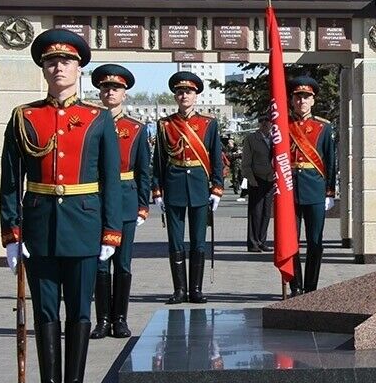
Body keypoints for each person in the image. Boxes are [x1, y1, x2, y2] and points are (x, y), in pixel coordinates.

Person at [0, 28, 122, 383]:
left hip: (84, 225)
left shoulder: (97, 119)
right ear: (43, 68)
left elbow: (111, 180)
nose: (58, 67)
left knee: (81, 310)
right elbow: (9, 179)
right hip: (39, 227)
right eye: (51, 61)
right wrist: (12, 232)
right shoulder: (24, 117)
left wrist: (111, 230)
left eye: (66, 61)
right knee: (45, 309)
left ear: (79, 67)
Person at [89, 64, 151, 340]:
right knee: (100, 265)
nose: (110, 92)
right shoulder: (90, 124)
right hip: (98, 199)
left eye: (116, 88)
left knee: (123, 264)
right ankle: (102, 320)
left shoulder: (135, 128)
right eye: (105, 87)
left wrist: (143, 203)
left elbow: (144, 168)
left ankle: (121, 319)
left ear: (124, 94)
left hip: (125, 198)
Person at [151, 72, 223, 305]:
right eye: (180, 92)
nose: (184, 96)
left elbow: (216, 158)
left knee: (199, 240)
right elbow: (159, 160)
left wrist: (217, 188)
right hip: (173, 186)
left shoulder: (209, 124)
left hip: (200, 187)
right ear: (175, 96)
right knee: (175, 240)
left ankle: (196, 289)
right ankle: (179, 290)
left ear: (196, 95)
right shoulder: (165, 124)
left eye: (189, 92)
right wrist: (157, 190)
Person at [288, 76, 337, 295]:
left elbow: (330, 160)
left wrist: (329, 191)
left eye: (306, 97)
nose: (302, 101)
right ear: (292, 100)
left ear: (313, 101)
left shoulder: (323, 128)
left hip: (315, 189)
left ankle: (311, 287)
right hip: (290, 190)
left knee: (315, 242)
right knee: (290, 242)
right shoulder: (283, 126)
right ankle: (295, 285)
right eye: (298, 97)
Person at [240, 114, 275, 252]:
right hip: (257, 179)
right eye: (262, 120)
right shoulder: (251, 139)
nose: (265, 123)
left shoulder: (275, 139)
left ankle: (262, 241)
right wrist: (250, 179)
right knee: (256, 212)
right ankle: (253, 242)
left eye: (268, 120)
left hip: (271, 180)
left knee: (266, 212)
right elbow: (246, 162)